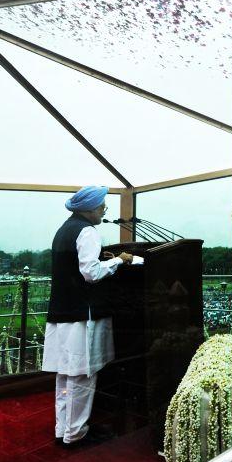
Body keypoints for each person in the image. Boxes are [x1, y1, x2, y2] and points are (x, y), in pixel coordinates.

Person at [42, 186, 139, 447]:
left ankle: (63, 430)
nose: (103, 211)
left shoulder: (64, 230)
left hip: (63, 313)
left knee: (65, 375)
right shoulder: (87, 231)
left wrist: (104, 259)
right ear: (89, 209)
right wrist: (119, 260)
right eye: (101, 207)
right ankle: (76, 435)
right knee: (82, 376)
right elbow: (92, 273)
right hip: (81, 316)